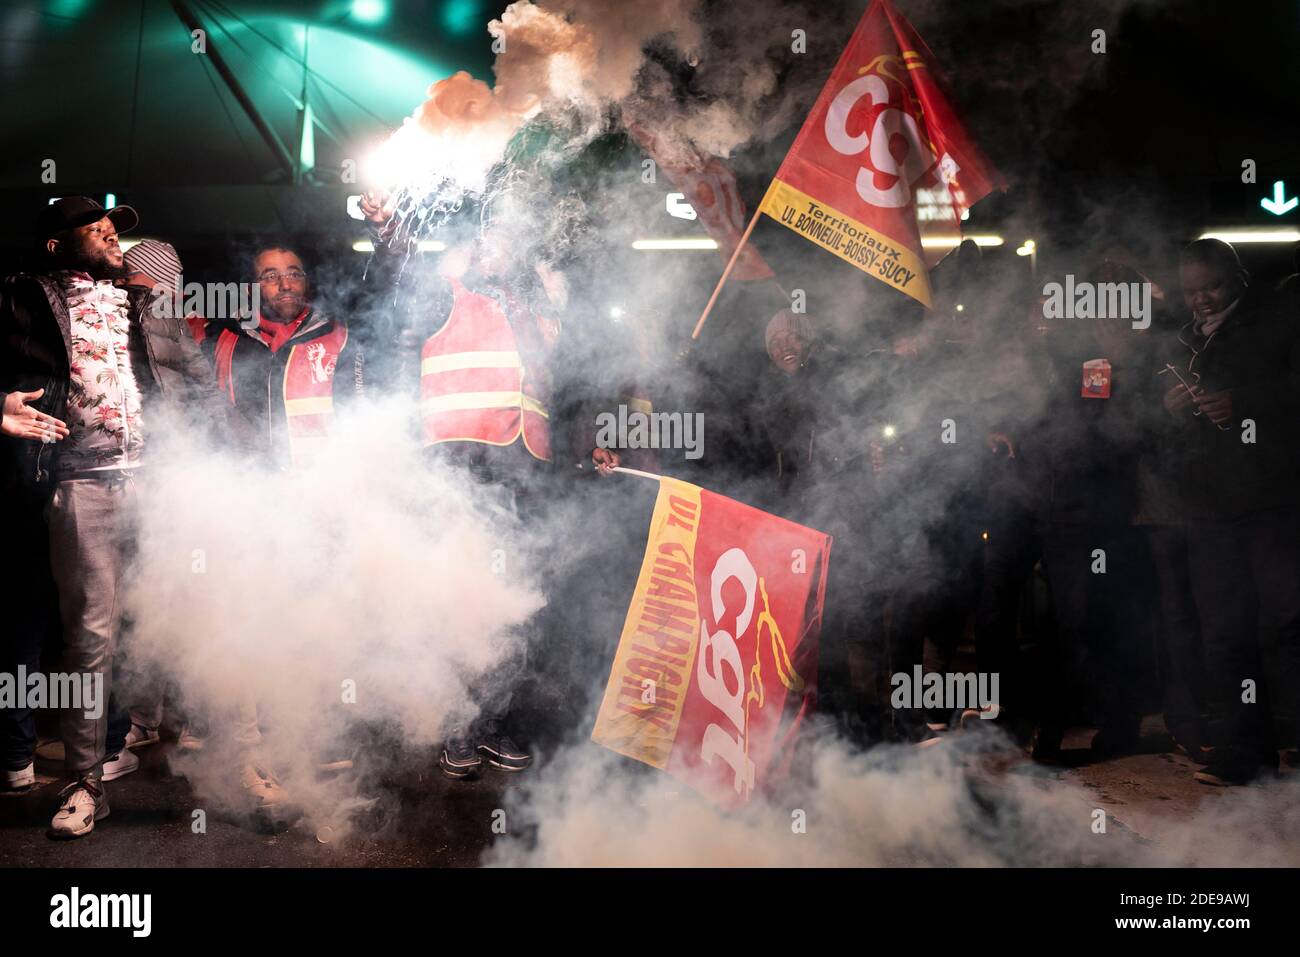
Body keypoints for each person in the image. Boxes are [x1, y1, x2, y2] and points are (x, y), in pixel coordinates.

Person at [0, 197, 239, 837]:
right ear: (55, 244)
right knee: (90, 639)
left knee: (203, 613)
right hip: (81, 482)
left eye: (113, 226)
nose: (110, 230)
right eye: (92, 225)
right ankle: (85, 782)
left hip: (165, 480)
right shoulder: (20, 296)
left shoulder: (143, 301)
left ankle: (234, 765)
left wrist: (231, 462)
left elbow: (192, 380)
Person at [361, 191, 557, 778]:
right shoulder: (438, 288)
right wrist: (387, 225)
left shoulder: (532, 299)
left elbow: (555, 385)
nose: (498, 244)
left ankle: (493, 719)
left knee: (511, 600)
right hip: (459, 461)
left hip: (524, 464)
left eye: (507, 234)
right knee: (457, 596)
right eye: (488, 235)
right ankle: (457, 727)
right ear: (467, 244)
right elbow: (396, 268)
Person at [1163, 238, 1300, 785]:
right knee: (1223, 631)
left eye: (1211, 287)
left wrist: (1247, 402)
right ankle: (1246, 752)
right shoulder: (1181, 338)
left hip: (1273, 499)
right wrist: (1171, 407)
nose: (1200, 300)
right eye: (1190, 291)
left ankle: (1291, 738)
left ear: (1238, 277)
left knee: (1286, 625)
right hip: (1209, 504)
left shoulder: (1279, 319)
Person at [202, 242, 363, 469]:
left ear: (305, 282)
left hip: (323, 484)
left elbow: (360, 418)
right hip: (243, 487)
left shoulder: (338, 337)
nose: (285, 284)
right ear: (250, 289)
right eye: (270, 277)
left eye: (294, 274)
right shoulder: (221, 338)